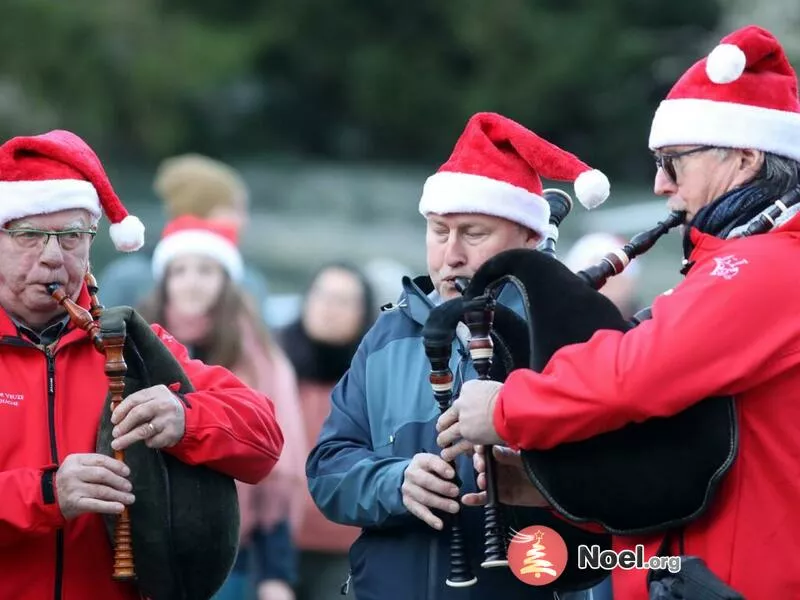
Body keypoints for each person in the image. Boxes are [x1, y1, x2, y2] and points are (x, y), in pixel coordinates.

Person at [435, 25, 800, 599]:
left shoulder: (772, 267)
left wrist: (508, 406)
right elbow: (681, 464)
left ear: (747, 157)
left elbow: (637, 373)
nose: (659, 184)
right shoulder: (743, 267)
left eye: (673, 162)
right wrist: (544, 481)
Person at [305, 111, 612, 600]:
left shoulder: (569, 338)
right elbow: (326, 471)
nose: (450, 255)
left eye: (473, 233)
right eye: (438, 230)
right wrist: (394, 482)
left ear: (530, 238)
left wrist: (531, 477)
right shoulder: (386, 336)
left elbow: (617, 489)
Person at [0, 130, 284, 600]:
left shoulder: (128, 343)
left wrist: (186, 419)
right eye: (29, 235)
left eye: (71, 235)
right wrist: (47, 493)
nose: (53, 256)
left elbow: (265, 438)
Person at [138, 215, 307, 600]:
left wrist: (275, 574)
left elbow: (281, 474)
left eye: (205, 270)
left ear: (225, 280)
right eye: (179, 270)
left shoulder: (260, 359)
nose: (192, 281)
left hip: (232, 550)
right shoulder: (133, 343)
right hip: (145, 545)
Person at [276, 262, 376, 600]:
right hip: (272, 542)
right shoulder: (273, 366)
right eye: (323, 296)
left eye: (344, 301)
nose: (330, 309)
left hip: (346, 548)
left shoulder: (374, 376)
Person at [97, 153, 270, 311]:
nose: (244, 221)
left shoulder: (124, 273)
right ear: (200, 210)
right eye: (235, 209)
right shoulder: (247, 282)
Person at [563, 232, 643, 320]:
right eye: (592, 281)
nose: (601, 290)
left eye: (612, 282)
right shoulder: (558, 328)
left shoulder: (649, 327)